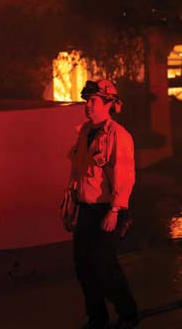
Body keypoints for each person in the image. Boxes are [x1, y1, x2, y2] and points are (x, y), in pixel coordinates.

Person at [67, 78, 139, 329]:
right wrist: (70, 203)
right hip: (86, 208)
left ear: (109, 104)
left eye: (94, 100)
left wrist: (115, 210)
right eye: (87, 100)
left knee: (104, 265)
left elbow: (125, 175)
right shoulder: (85, 132)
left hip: (108, 209)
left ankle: (128, 315)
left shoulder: (119, 136)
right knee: (83, 266)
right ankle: (97, 318)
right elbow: (78, 172)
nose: (88, 105)